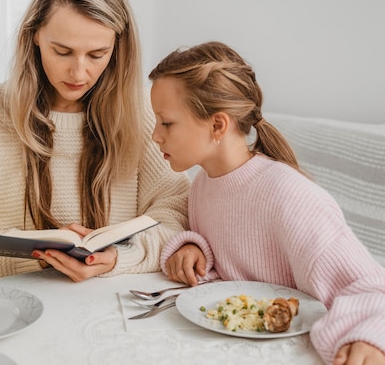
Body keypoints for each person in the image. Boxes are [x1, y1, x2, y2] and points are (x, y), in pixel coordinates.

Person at [0, 0, 190, 284]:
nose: (79, 73)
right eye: (62, 51)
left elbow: (178, 215)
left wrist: (118, 257)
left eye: (97, 54)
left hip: (119, 306)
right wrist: (41, 256)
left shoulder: (144, 110)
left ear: (118, 48)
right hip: (14, 309)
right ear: (35, 36)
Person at [150, 41, 385, 365]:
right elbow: (239, 259)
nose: (155, 136)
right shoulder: (204, 185)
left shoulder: (290, 197)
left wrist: (371, 338)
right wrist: (196, 247)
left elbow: (370, 286)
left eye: (166, 123)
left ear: (218, 125)